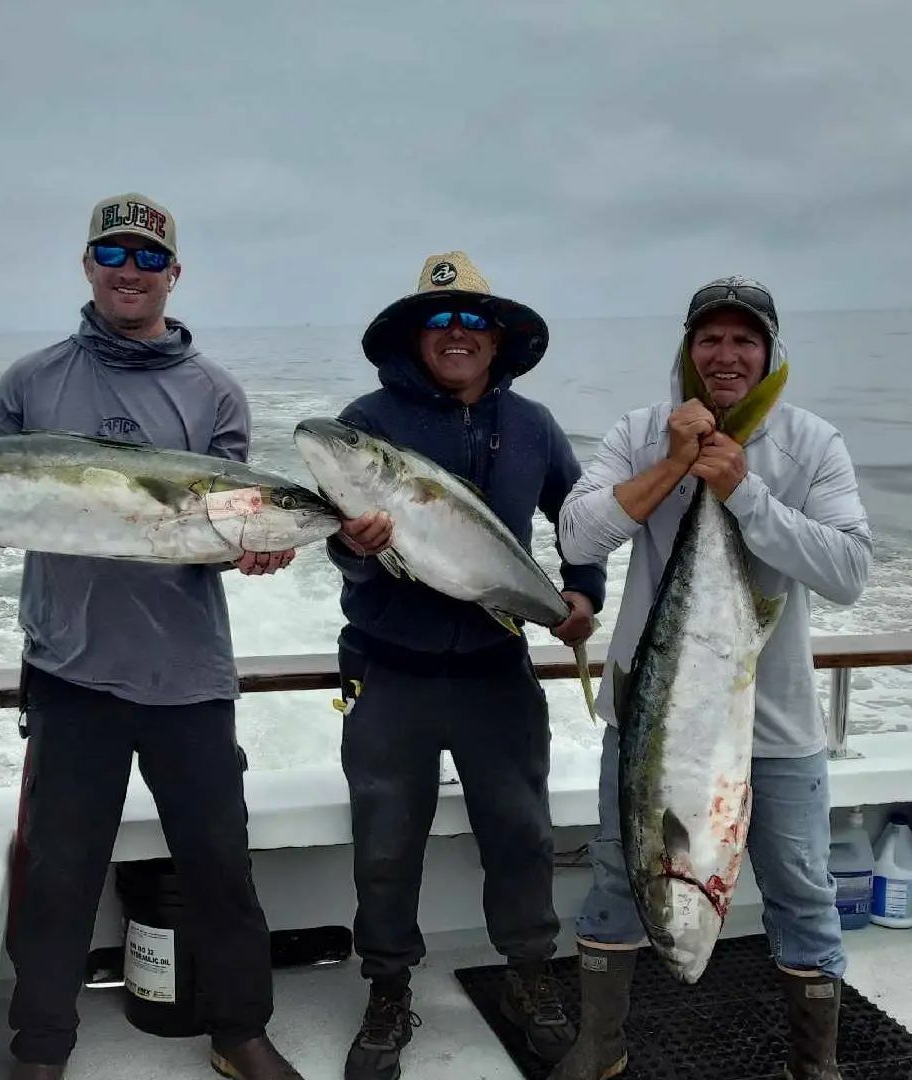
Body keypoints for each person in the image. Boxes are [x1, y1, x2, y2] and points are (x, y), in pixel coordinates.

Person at [0, 193, 305, 1080]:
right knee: (56, 874)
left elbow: (224, 523)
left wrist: (263, 547)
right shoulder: (30, 380)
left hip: (189, 681)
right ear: (89, 264)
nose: (129, 270)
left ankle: (240, 1031)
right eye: (113, 252)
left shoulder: (214, 394)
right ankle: (42, 1048)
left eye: (147, 257)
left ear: (174, 273)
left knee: (220, 867)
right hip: (69, 673)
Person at [553, 277, 872, 1080]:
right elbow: (578, 529)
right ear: (687, 350)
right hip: (653, 717)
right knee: (616, 879)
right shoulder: (638, 432)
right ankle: (601, 1047)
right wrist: (675, 464)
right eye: (710, 340)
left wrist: (741, 490)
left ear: (769, 353)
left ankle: (817, 1063)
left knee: (801, 889)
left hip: (780, 724)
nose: (726, 356)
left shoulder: (810, 443)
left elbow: (848, 572)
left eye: (744, 341)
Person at [325, 252, 606, 1080]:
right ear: (417, 336)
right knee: (383, 844)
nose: (456, 333)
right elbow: (340, 550)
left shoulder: (534, 426)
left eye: (472, 320)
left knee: (520, 835)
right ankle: (385, 989)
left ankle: (529, 978)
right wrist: (354, 550)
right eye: (439, 320)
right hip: (388, 671)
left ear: (497, 338)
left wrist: (581, 592)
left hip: (496, 668)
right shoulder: (366, 423)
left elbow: (579, 519)